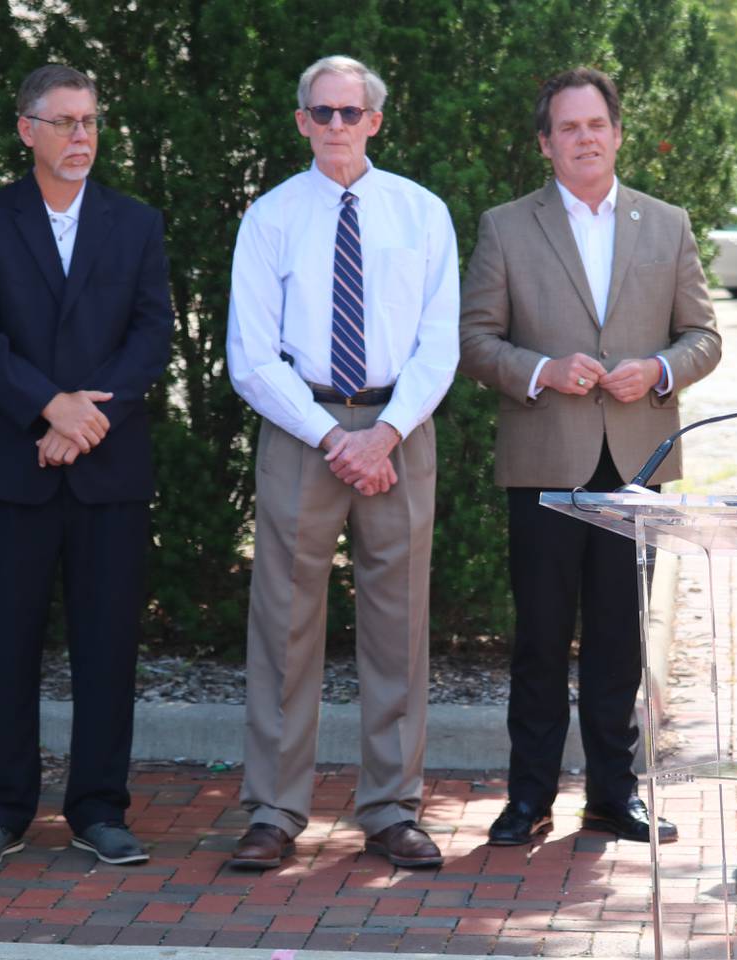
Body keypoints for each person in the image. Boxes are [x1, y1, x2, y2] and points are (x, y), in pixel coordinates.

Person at [459, 67, 721, 846]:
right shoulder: (507, 227)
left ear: (617, 133)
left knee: (620, 640)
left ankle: (614, 795)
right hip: (544, 458)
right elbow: (474, 341)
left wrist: (660, 369)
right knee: (540, 639)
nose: (584, 139)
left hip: (636, 462)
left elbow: (704, 336)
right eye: (568, 128)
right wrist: (540, 371)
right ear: (546, 144)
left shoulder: (666, 224)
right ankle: (529, 799)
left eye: (595, 125)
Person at [225, 55, 459, 870]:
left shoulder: (423, 213)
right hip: (302, 429)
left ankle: (392, 807)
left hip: (400, 425)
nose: (334, 126)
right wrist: (333, 438)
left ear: (375, 122)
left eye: (348, 113)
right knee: (284, 622)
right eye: (319, 113)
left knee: (398, 624)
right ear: (300, 122)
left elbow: (440, 343)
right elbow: (251, 355)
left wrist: (384, 435)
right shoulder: (271, 217)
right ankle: (274, 809)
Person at [0, 65, 173, 868]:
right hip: (12, 466)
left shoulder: (136, 223)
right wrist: (51, 407)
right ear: (25, 130)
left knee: (108, 646)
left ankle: (99, 809)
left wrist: (85, 419)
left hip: (108, 470)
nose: (82, 137)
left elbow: (151, 336)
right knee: (4, 644)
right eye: (66, 122)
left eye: (91, 122)